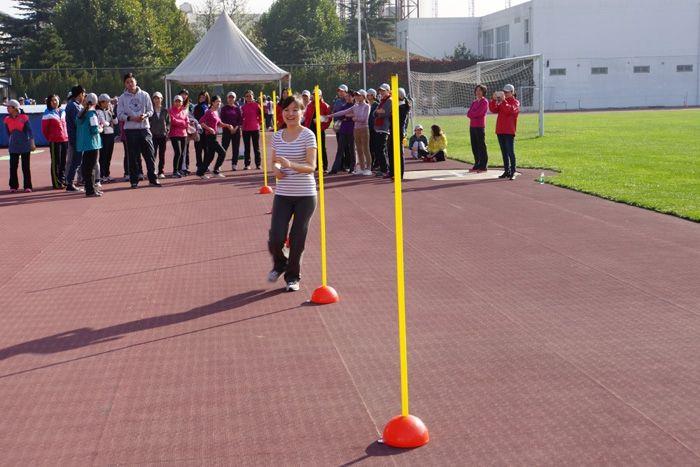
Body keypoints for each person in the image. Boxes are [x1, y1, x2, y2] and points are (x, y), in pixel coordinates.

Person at [268, 95, 318, 292]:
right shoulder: (277, 136)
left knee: (297, 237)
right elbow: (274, 162)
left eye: (295, 110)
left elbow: (311, 166)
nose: (290, 114)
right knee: (276, 237)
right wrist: (276, 170)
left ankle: (292, 277)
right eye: (286, 110)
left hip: (305, 195)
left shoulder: (308, 135)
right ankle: (281, 263)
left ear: (302, 112)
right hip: (283, 194)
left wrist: (290, 165)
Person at [117, 72, 161, 188]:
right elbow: (119, 115)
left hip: (144, 129)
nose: (130, 84)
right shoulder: (122, 98)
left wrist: (145, 116)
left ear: (136, 82)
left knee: (150, 155)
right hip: (130, 130)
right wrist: (131, 118)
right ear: (125, 84)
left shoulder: (144, 95)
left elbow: (151, 111)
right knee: (133, 157)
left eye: (132, 81)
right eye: (127, 82)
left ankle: (153, 179)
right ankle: (134, 181)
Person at [327, 89, 371, 175]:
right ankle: (362, 168)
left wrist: (354, 118)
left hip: (364, 129)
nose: (357, 97)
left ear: (363, 96)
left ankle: (368, 168)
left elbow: (364, 119)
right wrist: (330, 115)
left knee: (365, 149)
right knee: (359, 149)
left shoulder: (367, 106)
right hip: (356, 129)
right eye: (357, 95)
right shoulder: (355, 106)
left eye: (359, 95)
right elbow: (343, 112)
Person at [198, 95, 234, 178]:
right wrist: (209, 128)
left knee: (210, 157)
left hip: (214, 136)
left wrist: (228, 125)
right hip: (209, 137)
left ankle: (200, 173)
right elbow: (201, 122)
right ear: (213, 102)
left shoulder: (216, 112)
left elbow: (219, 124)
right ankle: (216, 171)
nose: (219, 103)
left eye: (220, 102)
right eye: (217, 101)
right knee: (222, 153)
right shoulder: (209, 112)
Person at [489, 84, 520, 180]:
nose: (505, 93)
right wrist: (493, 100)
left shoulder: (515, 102)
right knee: (504, 152)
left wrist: (503, 101)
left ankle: (513, 171)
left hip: (509, 131)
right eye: (504, 92)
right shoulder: (502, 102)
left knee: (510, 152)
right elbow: (493, 109)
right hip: (500, 130)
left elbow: (509, 110)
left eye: (507, 92)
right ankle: (506, 171)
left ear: (512, 92)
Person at [4, 99, 34, 192]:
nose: (7, 109)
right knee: (13, 167)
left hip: (25, 145)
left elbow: (30, 132)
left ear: (14, 108)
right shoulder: (6, 119)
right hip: (13, 146)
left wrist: (32, 143)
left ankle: (27, 186)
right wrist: (12, 140)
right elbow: (8, 132)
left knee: (25, 167)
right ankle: (13, 186)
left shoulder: (24, 117)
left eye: (8, 107)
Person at [76, 93, 103, 197]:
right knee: (91, 168)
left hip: (84, 143)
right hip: (92, 144)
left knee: (86, 167)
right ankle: (91, 190)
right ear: (96, 102)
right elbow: (94, 130)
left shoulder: (81, 113)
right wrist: (101, 129)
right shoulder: (92, 114)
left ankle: (90, 189)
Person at [41, 94, 69, 189]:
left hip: (64, 139)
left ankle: (63, 180)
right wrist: (51, 138)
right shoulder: (47, 113)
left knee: (63, 162)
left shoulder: (63, 111)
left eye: (56, 100)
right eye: (52, 100)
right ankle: (56, 183)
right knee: (56, 162)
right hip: (54, 140)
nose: (54, 102)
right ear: (49, 102)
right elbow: (44, 129)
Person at [302, 88, 331, 172]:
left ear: (320, 96)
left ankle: (324, 166)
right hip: (311, 130)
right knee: (313, 148)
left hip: (320, 129)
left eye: (317, 95)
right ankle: (316, 165)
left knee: (322, 148)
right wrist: (306, 127)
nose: (315, 97)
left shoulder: (325, 105)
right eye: (314, 95)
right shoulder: (310, 105)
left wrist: (320, 120)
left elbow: (328, 118)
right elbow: (306, 117)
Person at [328, 90, 355, 175]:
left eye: (349, 96)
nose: (347, 98)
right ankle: (335, 169)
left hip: (352, 130)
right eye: (347, 96)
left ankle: (352, 168)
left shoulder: (355, 106)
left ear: (353, 97)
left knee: (351, 149)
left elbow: (354, 115)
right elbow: (340, 116)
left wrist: (347, 117)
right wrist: (347, 116)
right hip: (343, 130)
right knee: (340, 149)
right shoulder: (344, 106)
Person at [64, 85, 85, 192]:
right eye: (83, 94)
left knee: (76, 161)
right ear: (80, 94)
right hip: (76, 137)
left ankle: (70, 182)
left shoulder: (75, 105)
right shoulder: (73, 106)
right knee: (76, 161)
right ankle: (70, 183)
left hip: (77, 137)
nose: (84, 96)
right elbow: (78, 122)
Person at [388, 87, 411, 179]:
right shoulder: (397, 105)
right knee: (391, 151)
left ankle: (399, 174)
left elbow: (395, 119)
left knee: (398, 153)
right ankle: (392, 172)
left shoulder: (402, 107)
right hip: (393, 130)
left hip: (398, 131)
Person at [467, 84, 489, 173]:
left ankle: (483, 165)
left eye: (480, 90)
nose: (478, 92)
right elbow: (468, 113)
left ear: (483, 92)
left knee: (481, 146)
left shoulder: (485, 102)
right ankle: (477, 163)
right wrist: (473, 114)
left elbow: (480, 113)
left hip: (480, 126)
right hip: (472, 126)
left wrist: (473, 114)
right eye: (477, 90)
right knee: (474, 146)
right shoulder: (474, 102)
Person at [96, 94, 117, 182]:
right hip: (103, 135)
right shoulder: (98, 111)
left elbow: (116, 122)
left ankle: (107, 174)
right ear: (102, 102)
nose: (109, 103)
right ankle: (102, 175)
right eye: (107, 102)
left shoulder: (109, 111)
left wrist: (112, 113)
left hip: (111, 134)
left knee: (109, 155)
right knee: (103, 156)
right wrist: (109, 123)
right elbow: (103, 123)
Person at [372, 83, 392, 176]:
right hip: (378, 127)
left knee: (380, 149)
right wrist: (378, 111)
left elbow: (385, 113)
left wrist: (378, 112)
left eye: (383, 90)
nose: (381, 92)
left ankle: (385, 169)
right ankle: (382, 167)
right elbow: (374, 113)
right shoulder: (382, 101)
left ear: (388, 91)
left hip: (384, 128)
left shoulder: (389, 100)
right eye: (380, 90)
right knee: (377, 149)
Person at [149, 92, 169, 179]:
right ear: (153, 100)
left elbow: (168, 122)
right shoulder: (150, 111)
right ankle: (153, 170)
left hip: (162, 136)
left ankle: (161, 171)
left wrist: (167, 130)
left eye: (159, 98)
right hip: (153, 136)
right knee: (153, 154)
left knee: (162, 154)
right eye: (155, 98)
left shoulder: (165, 111)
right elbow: (148, 122)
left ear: (162, 99)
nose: (157, 100)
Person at [241, 90, 262, 170]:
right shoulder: (243, 107)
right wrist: (242, 124)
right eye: (247, 96)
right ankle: (247, 164)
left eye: (250, 96)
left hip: (255, 129)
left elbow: (261, 115)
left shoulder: (257, 105)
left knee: (256, 148)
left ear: (253, 96)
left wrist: (259, 122)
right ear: (245, 98)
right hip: (246, 129)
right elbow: (241, 117)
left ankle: (258, 164)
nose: (249, 97)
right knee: (247, 148)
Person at [220, 91, 242, 170]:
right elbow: (222, 119)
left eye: (232, 98)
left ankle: (234, 164)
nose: (231, 99)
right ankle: (219, 164)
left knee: (235, 148)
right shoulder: (224, 109)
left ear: (235, 99)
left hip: (236, 131)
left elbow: (240, 120)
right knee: (224, 148)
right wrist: (229, 127)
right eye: (229, 97)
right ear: (227, 98)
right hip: (226, 130)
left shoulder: (237, 108)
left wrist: (235, 128)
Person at [168, 95, 188, 178]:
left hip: (184, 134)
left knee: (182, 153)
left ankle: (179, 170)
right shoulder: (170, 110)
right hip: (174, 134)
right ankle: (175, 171)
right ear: (174, 102)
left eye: (179, 101)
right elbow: (173, 121)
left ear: (182, 102)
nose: (178, 103)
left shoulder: (184, 111)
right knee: (178, 152)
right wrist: (182, 122)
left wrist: (181, 123)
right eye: (176, 101)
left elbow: (187, 122)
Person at [192, 91, 210, 170]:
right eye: (200, 97)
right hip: (199, 130)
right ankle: (199, 165)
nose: (201, 98)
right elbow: (196, 119)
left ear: (206, 98)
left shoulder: (209, 107)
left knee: (207, 149)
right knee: (198, 149)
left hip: (207, 131)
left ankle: (206, 165)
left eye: (203, 97)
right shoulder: (196, 107)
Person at [366, 88, 379, 170]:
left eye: (369, 94)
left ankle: (376, 164)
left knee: (374, 147)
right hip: (367, 128)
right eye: (367, 94)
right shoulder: (366, 104)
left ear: (373, 95)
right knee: (369, 147)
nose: (367, 96)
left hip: (374, 129)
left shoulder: (376, 105)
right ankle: (370, 163)